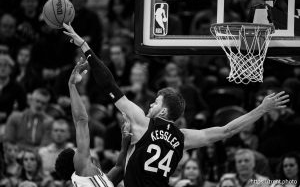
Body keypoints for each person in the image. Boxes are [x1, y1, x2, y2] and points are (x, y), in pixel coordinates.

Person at [62, 22, 289, 187]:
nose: (150, 104)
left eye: (155, 102)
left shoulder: (143, 123)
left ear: (163, 109)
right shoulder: (183, 137)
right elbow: (227, 130)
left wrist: (84, 45)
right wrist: (261, 109)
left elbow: (109, 84)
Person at [54, 60, 131, 187]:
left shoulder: (96, 179)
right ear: (76, 163)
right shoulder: (82, 172)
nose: (81, 150)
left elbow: (120, 168)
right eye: (76, 151)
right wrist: (71, 85)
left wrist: (124, 141)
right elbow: (81, 120)